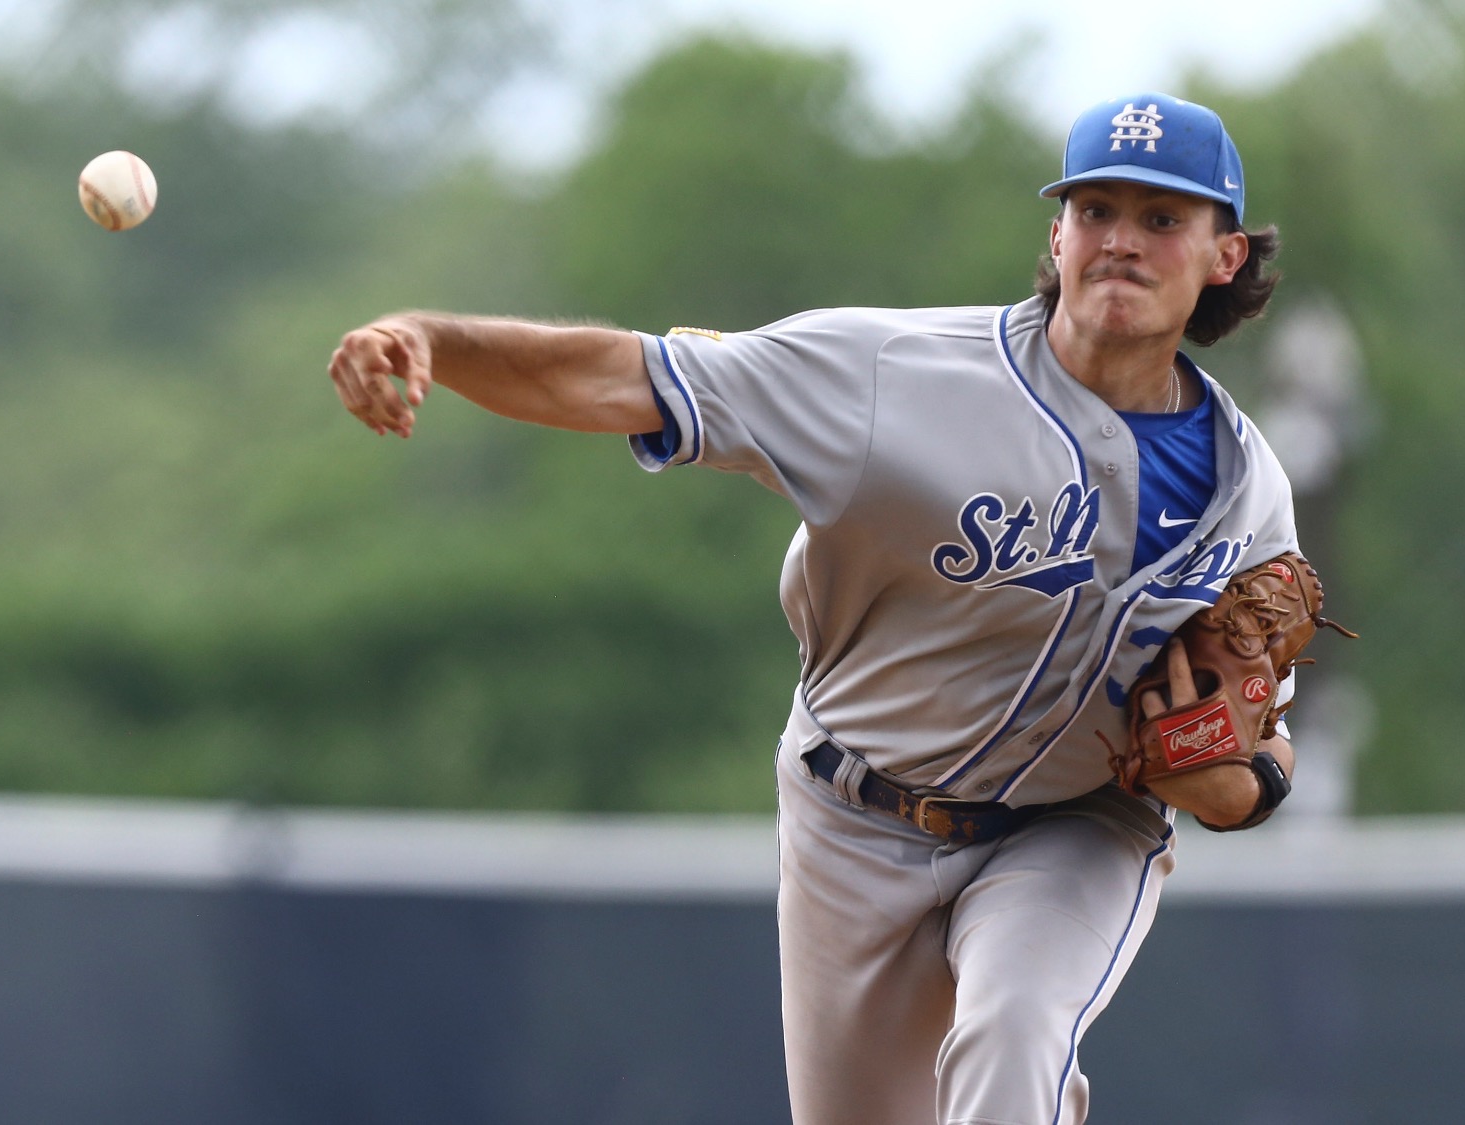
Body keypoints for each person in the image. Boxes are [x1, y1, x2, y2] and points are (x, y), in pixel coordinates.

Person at [328, 92, 1300, 1125]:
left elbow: (1261, 758)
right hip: (853, 820)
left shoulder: (1247, 494)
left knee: (1014, 1032)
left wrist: (1229, 785)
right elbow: (625, 377)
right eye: (1095, 209)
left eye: (1161, 220)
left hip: (1071, 830)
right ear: (1054, 235)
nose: (1120, 242)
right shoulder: (890, 375)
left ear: (1222, 256)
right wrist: (429, 336)